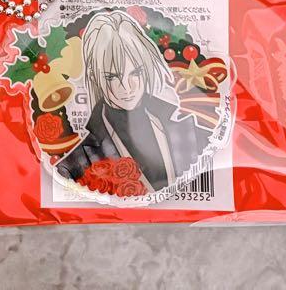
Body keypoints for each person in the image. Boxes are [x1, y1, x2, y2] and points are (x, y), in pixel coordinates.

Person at [61, 10, 205, 192]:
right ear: (94, 76)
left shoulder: (186, 124)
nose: (127, 87)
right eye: (112, 77)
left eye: (135, 73)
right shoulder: (76, 160)